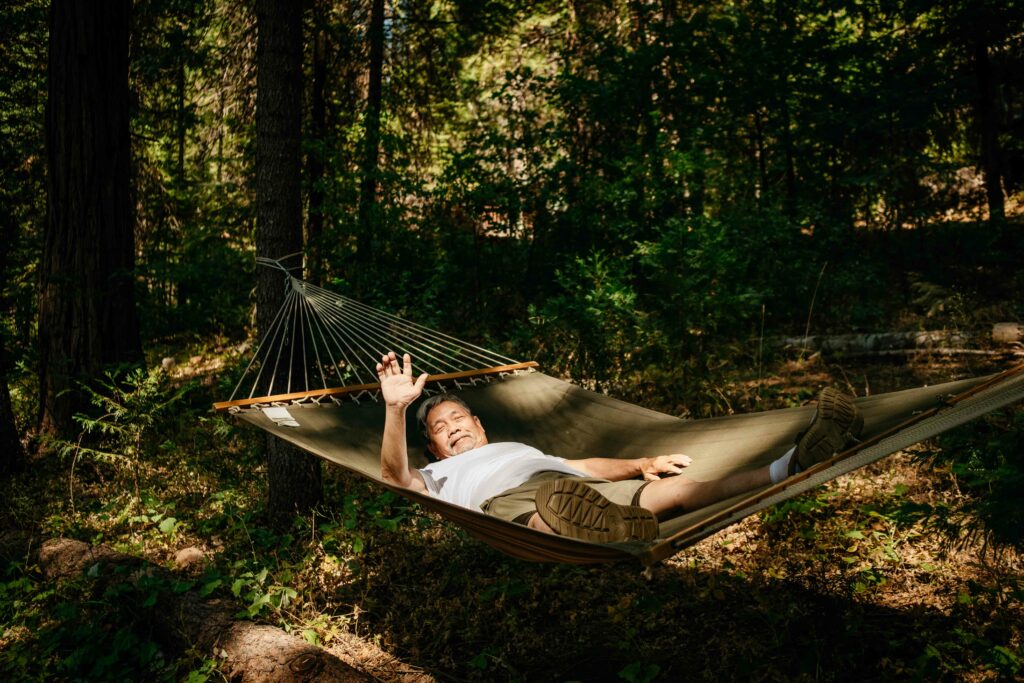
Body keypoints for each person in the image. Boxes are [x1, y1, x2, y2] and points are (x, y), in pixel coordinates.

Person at [376, 352, 863, 544]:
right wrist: (396, 410)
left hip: (574, 488)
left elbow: (579, 464)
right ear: (436, 450)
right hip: (509, 501)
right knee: (544, 520)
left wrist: (640, 463)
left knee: (679, 491)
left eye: (459, 418)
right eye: (441, 428)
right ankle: (595, 529)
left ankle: (790, 464)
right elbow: (396, 476)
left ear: (479, 424)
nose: (454, 428)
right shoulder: (439, 476)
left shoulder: (516, 446)